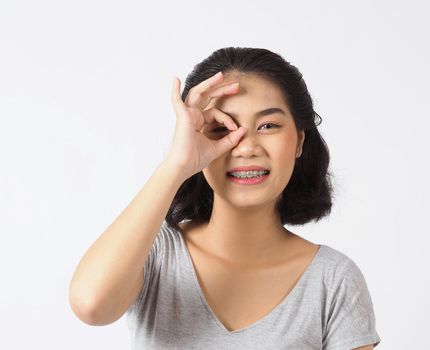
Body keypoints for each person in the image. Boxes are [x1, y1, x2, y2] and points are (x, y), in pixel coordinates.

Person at [69, 47, 381, 349]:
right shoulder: (154, 254)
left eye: (268, 125)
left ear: (299, 141)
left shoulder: (333, 280)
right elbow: (91, 306)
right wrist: (177, 165)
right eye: (221, 128)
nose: (246, 147)